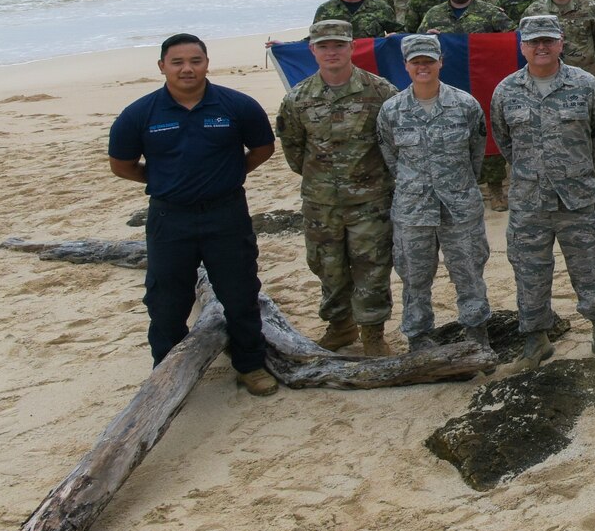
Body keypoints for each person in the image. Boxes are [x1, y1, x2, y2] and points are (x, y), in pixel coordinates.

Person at [108, 33, 277, 395]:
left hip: (227, 214)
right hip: (170, 218)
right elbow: (122, 165)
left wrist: (230, 175)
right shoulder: (140, 113)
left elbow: (263, 148)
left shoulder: (236, 106)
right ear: (162, 66)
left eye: (195, 61)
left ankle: (250, 365)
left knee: (240, 293)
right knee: (166, 299)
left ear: (207, 63)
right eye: (178, 62)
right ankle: (167, 372)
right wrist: (162, 181)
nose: (187, 69)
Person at [489, 16, 595, 368]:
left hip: (577, 197)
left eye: (548, 40)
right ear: (523, 46)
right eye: (533, 42)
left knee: (590, 265)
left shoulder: (585, 84)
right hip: (529, 200)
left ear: (561, 42)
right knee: (529, 269)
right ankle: (535, 339)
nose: (541, 47)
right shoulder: (506, 90)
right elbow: (504, 141)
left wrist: (577, 171)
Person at [275, 20, 398, 356]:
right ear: (312, 50)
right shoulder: (298, 98)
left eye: (338, 45)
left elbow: (394, 143)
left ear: (351, 47)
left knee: (371, 265)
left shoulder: (380, 92)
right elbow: (294, 150)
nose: (331, 52)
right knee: (326, 264)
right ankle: (341, 326)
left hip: (370, 201)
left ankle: (372, 332)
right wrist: (325, 181)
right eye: (324, 46)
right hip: (321, 202)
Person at [376, 34, 493, 351]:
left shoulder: (465, 105)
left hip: (460, 207)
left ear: (441, 62)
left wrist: (456, 184)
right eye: (416, 62)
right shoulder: (391, 110)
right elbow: (390, 157)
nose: (423, 67)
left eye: (429, 60)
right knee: (414, 278)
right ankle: (419, 336)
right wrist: (415, 185)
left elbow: (476, 155)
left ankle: (476, 331)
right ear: (406, 66)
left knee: (469, 273)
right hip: (413, 210)